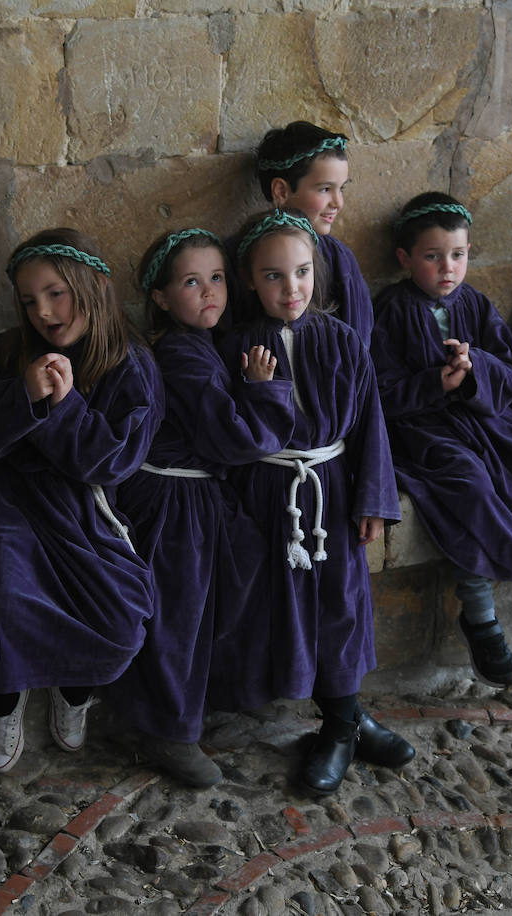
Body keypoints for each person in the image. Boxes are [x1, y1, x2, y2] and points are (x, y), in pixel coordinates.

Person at [219, 208, 412, 795]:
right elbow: (232, 431)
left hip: (332, 489)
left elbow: (370, 422)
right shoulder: (235, 347)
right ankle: (345, 723)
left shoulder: (342, 340)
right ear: (249, 280)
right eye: (273, 276)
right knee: (285, 607)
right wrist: (260, 390)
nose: (291, 288)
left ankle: (342, 725)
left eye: (301, 271)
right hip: (269, 493)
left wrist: (373, 499)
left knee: (341, 604)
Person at [0, 228, 164, 773]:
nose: (44, 313)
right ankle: (5, 701)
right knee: (5, 593)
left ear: (92, 286)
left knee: (120, 615)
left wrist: (66, 403)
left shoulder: (131, 361)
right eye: (30, 301)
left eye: (56, 293)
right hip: (12, 500)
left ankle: (74, 687)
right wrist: (25, 396)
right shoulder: (12, 351)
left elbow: (114, 460)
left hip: (86, 506)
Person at [371, 193, 512, 689]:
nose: (447, 267)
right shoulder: (391, 311)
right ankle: (480, 617)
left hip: (486, 420)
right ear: (405, 258)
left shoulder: (475, 304)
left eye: (458, 255)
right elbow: (378, 392)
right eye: (432, 256)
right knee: (467, 485)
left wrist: (475, 370)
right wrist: (434, 383)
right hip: (426, 430)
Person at [111, 228, 293, 787]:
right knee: (179, 615)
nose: (209, 291)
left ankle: (212, 697)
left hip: (200, 495)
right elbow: (233, 436)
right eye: (191, 282)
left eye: (216, 278)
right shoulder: (179, 355)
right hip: (172, 503)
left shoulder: (205, 344)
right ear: (162, 298)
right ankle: (168, 730)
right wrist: (262, 390)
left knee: (230, 585)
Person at [253, 121, 375, 347]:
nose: (338, 202)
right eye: (325, 189)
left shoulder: (339, 259)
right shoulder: (248, 254)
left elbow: (359, 342)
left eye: (341, 188)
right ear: (281, 191)